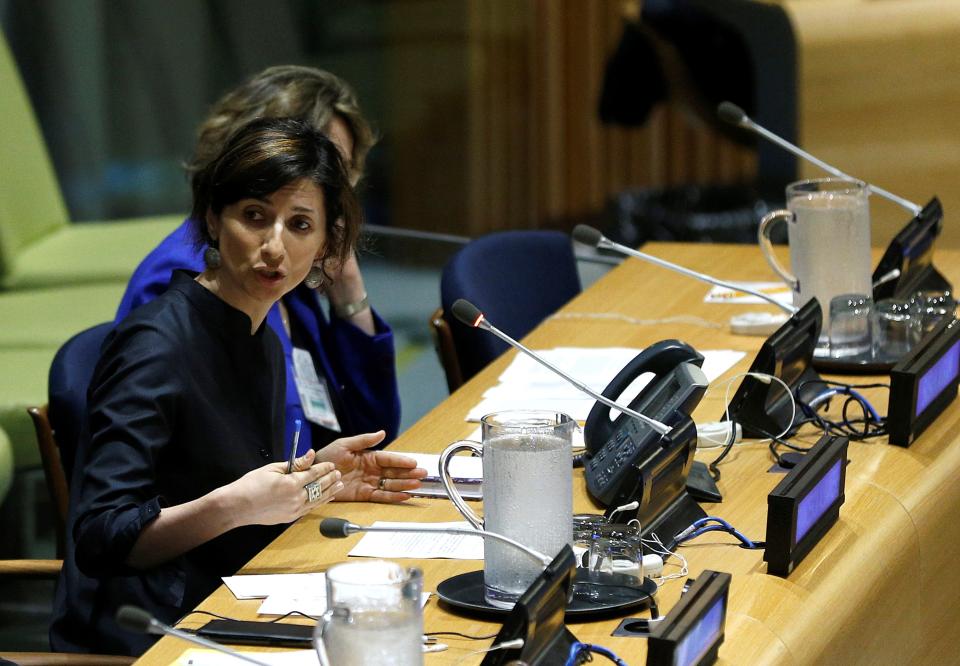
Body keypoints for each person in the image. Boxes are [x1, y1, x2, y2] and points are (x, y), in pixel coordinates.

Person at [52, 118, 426, 656]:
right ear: (213, 218)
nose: (274, 247)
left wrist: (316, 480)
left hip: (230, 597)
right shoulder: (156, 345)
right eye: (255, 217)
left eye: (300, 225)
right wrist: (234, 506)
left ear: (326, 244)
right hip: (149, 631)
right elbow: (102, 537)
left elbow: (233, 489)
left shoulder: (262, 336)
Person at [116, 65, 400, 455]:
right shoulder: (188, 278)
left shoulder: (289, 271)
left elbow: (372, 434)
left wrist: (349, 291)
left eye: (339, 174)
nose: (330, 191)